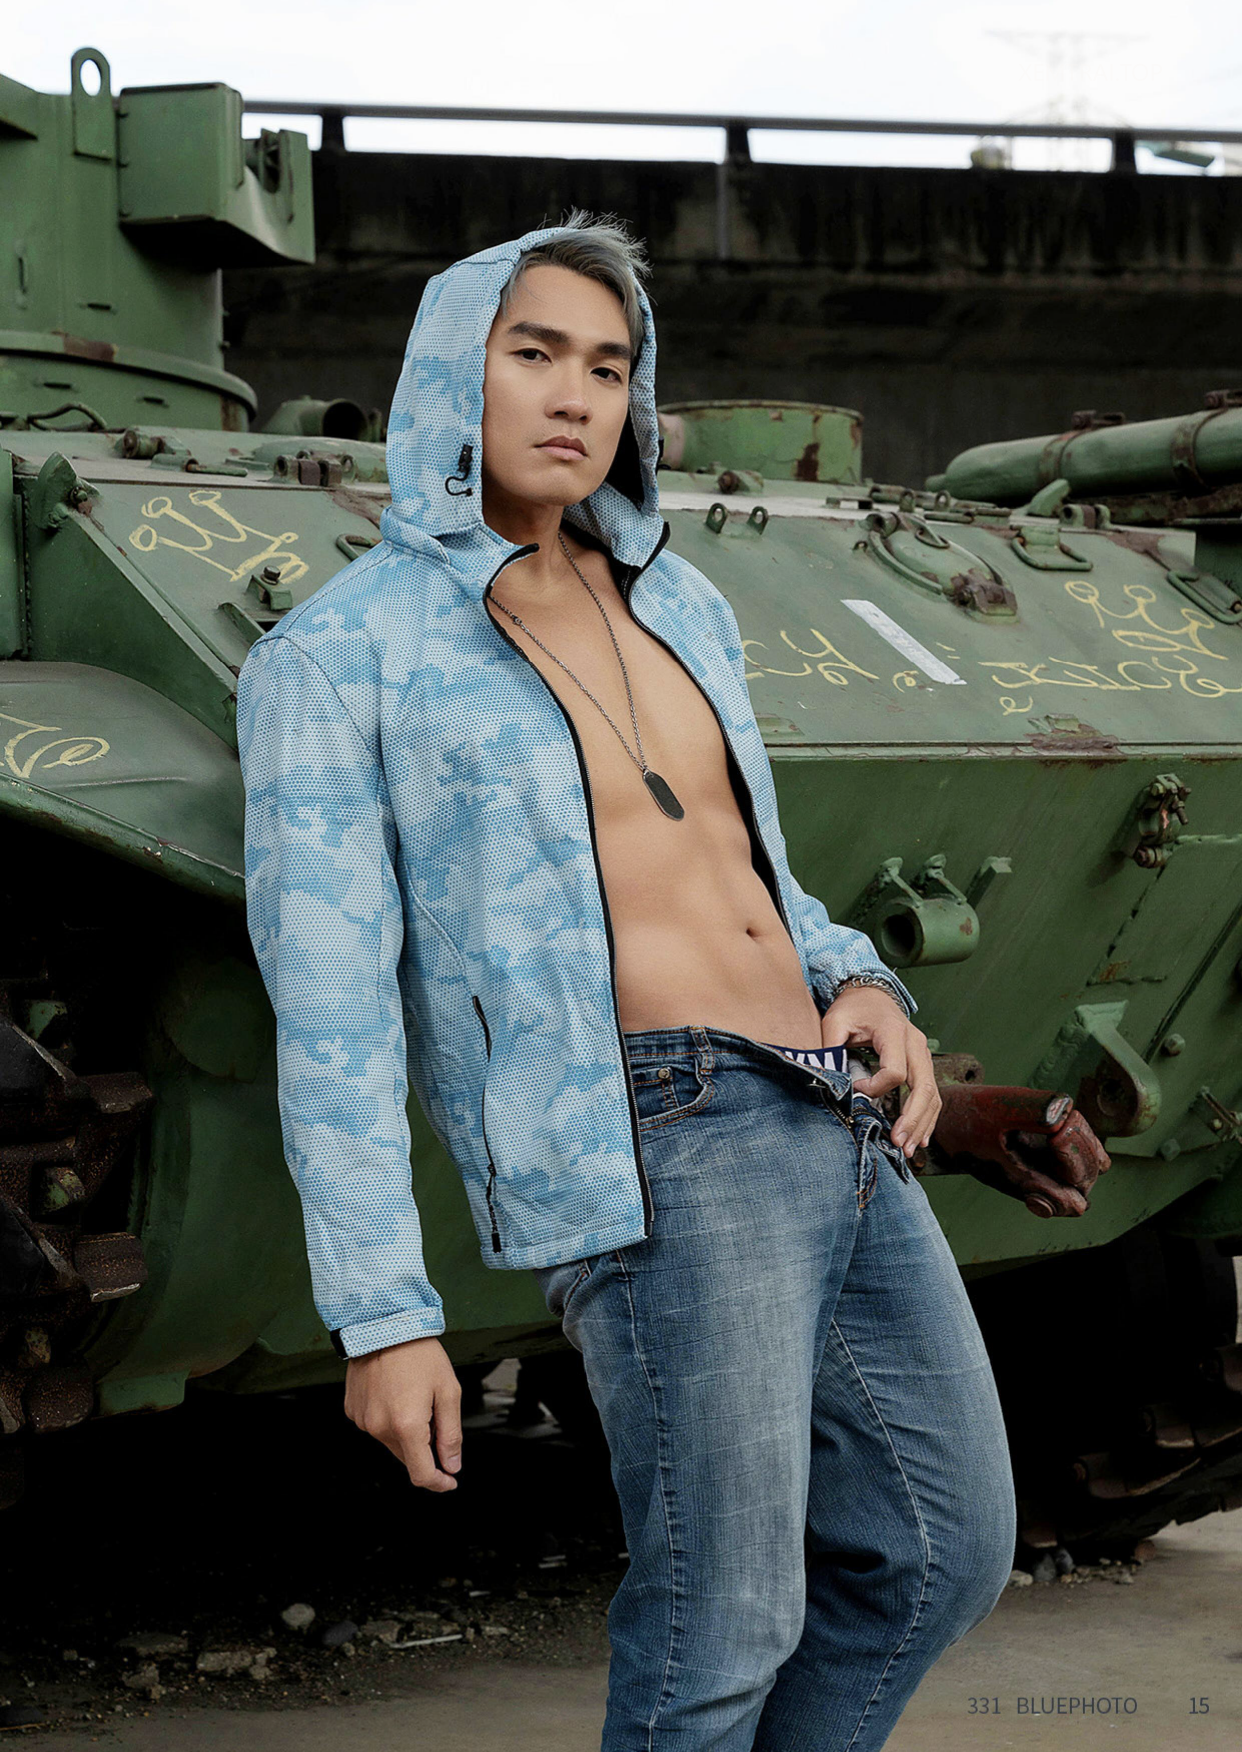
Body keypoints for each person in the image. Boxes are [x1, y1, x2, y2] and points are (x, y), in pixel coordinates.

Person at [237, 211, 1016, 1750]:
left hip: (828, 1105)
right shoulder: (338, 660)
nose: (574, 395)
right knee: (723, 1624)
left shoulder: (680, 602)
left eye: (607, 365)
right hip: (657, 1132)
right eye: (534, 354)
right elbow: (329, 1018)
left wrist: (859, 979)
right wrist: (382, 1316)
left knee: (942, 1551)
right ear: (451, 374)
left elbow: (746, 868)